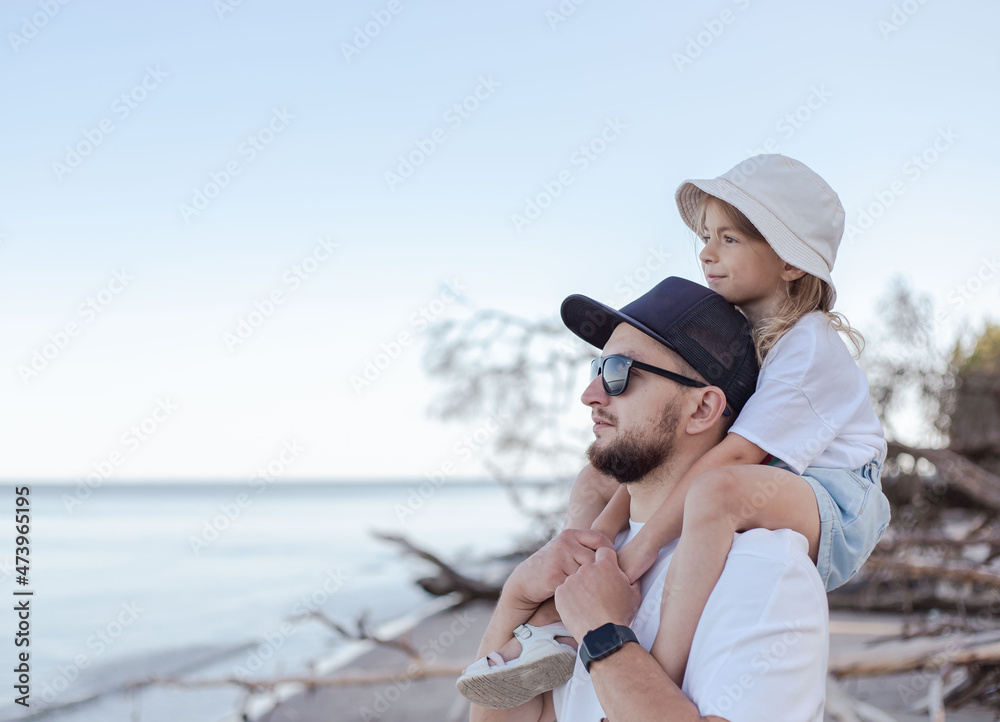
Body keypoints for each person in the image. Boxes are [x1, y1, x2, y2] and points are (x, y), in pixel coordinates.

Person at [458, 154, 890, 704]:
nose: (708, 251)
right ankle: (549, 628)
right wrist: (553, 578)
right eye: (597, 368)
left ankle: (662, 662)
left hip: (840, 495)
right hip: (766, 477)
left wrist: (619, 613)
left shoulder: (806, 346)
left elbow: (734, 462)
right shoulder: (758, 335)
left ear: (791, 264)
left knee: (716, 491)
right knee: (595, 478)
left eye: (619, 374)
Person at [467, 276, 830, 721]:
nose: (591, 395)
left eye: (619, 373)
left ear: (701, 409)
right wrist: (517, 598)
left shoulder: (765, 573)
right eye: (596, 370)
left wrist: (605, 636)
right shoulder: (590, 564)